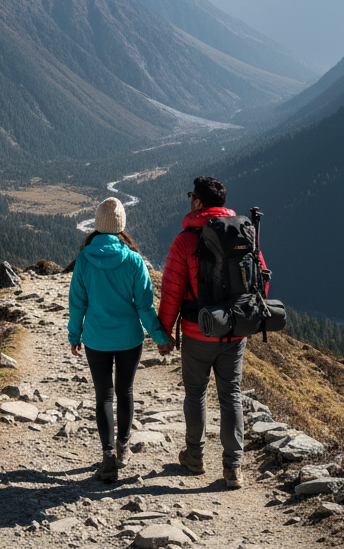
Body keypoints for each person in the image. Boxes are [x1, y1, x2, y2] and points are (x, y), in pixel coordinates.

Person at [156, 175, 266, 489]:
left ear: (198, 202)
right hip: (234, 331)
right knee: (230, 395)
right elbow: (260, 280)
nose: (190, 199)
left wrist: (164, 334)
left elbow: (172, 292)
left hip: (198, 330)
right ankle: (233, 468)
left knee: (196, 393)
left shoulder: (185, 240)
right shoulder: (244, 232)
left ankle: (195, 457)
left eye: (192, 195)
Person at [68, 196, 171, 482]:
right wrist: (161, 337)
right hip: (129, 339)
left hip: (96, 339)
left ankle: (108, 455)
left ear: (97, 225)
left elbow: (77, 303)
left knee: (104, 395)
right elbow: (145, 306)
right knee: (125, 391)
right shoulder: (134, 260)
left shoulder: (85, 259)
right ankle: (123, 447)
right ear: (121, 225)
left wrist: (74, 335)